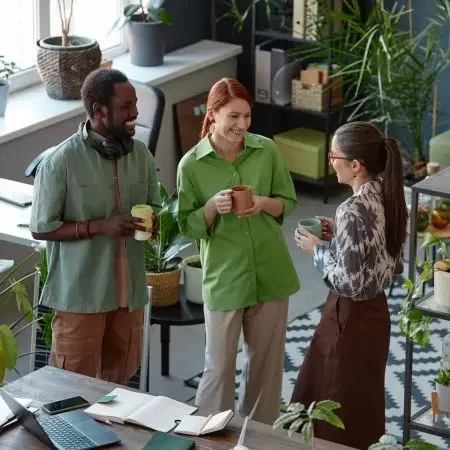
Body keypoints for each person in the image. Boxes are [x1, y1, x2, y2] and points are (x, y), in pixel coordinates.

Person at [177, 77, 300, 425]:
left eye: (247, 116)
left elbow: (287, 202)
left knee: (266, 367)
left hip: (270, 270)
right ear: (212, 114)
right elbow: (187, 225)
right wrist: (212, 207)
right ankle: (207, 434)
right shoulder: (192, 165)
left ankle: (258, 440)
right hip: (225, 275)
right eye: (233, 116)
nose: (242, 125)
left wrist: (262, 202)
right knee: (218, 366)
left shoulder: (266, 150)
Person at [30, 68, 161, 385]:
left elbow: (155, 206)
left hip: (128, 298)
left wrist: (154, 223)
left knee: (120, 392)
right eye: (127, 105)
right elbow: (41, 228)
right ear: (100, 111)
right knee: (70, 392)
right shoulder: (60, 162)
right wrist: (99, 226)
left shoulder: (140, 155)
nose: (136, 112)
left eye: (135, 104)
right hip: (80, 298)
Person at [291, 121, 407, 449]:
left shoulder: (352, 210)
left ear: (355, 165)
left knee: (332, 398)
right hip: (377, 314)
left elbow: (349, 283)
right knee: (362, 399)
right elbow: (392, 263)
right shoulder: (391, 195)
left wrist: (316, 251)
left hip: (348, 316)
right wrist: (339, 238)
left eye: (334, 156)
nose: (331, 162)